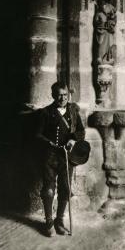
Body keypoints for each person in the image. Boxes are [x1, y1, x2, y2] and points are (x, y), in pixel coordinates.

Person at [36, 82, 85, 237]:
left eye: (65, 95)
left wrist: (74, 140)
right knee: (49, 190)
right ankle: (49, 222)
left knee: (65, 188)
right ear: (53, 95)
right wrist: (49, 143)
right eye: (59, 95)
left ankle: (59, 221)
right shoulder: (45, 112)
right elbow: (37, 135)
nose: (62, 98)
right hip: (49, 156)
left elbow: (81, 131)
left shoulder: (73, 110)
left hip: (66, 157)